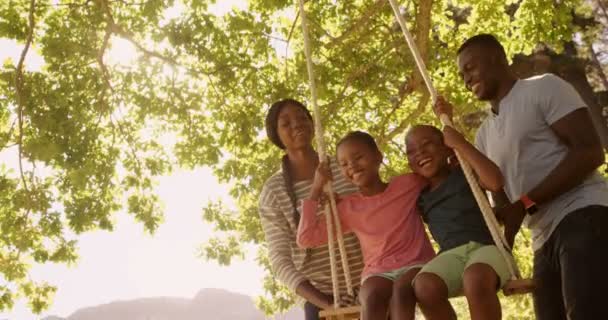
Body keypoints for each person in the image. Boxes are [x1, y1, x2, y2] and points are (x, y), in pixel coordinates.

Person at [451, 33, 608, 319]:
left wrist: (525, 203)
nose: (465, 78)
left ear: (497, 58)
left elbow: (589, 152)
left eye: (470, 68)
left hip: (583, 215)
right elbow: (504, 207)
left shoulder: (544, 88)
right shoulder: (483, 135)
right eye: (462, 74)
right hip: (542, 237)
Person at [297, 131, 435, 320]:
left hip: (416, 263)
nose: (352, 166)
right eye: (344, 164)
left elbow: (437, 174)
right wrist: (316, 188)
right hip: (378, 271)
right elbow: (306, 239)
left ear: (378, 156)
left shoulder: (407, 184)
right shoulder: (347, 207)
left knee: (402, 293)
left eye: (358, 157)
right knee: (371, 297)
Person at [258, 99, 364, 320]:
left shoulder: (345, 165)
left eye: (301, 117)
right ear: (276, 135)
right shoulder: (274, 192)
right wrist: (326, 303)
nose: (296, 124)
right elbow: (280, 260)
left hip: (373, 282)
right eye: (286, 123)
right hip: (322, 295)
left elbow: (376, 209)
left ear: (311, 123)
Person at [404, 112, 510, 320]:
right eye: (411, 152)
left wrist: (460, 143)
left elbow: (495, 181)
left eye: (427, 144)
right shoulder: (421, 198)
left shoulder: (465, 174)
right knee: (424, 285)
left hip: (486, 248)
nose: (420, 153)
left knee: (475, 278)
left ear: (446, 147)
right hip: (450, 255)